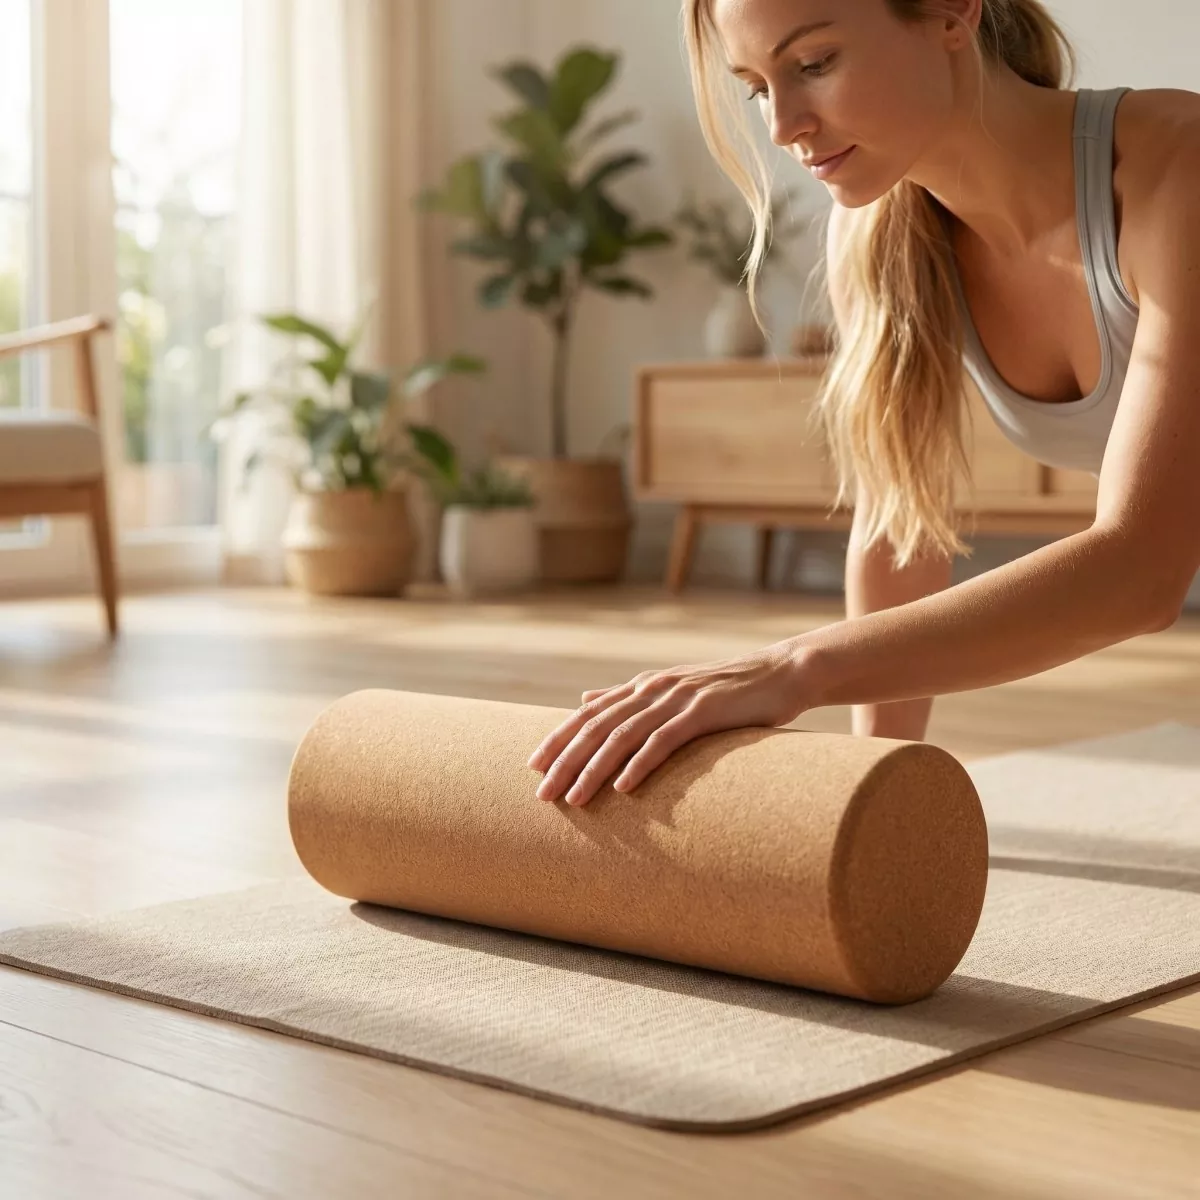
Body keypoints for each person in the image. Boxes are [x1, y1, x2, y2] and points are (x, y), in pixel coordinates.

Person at [528, 0, 1200, 808]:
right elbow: (899, 530)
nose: (782, 126)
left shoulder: (1176, 168)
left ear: (951, 12)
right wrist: (875, 796)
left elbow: (1142, 572)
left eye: (813, 65)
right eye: (756, 88)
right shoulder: (878, 240)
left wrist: (796, 668)